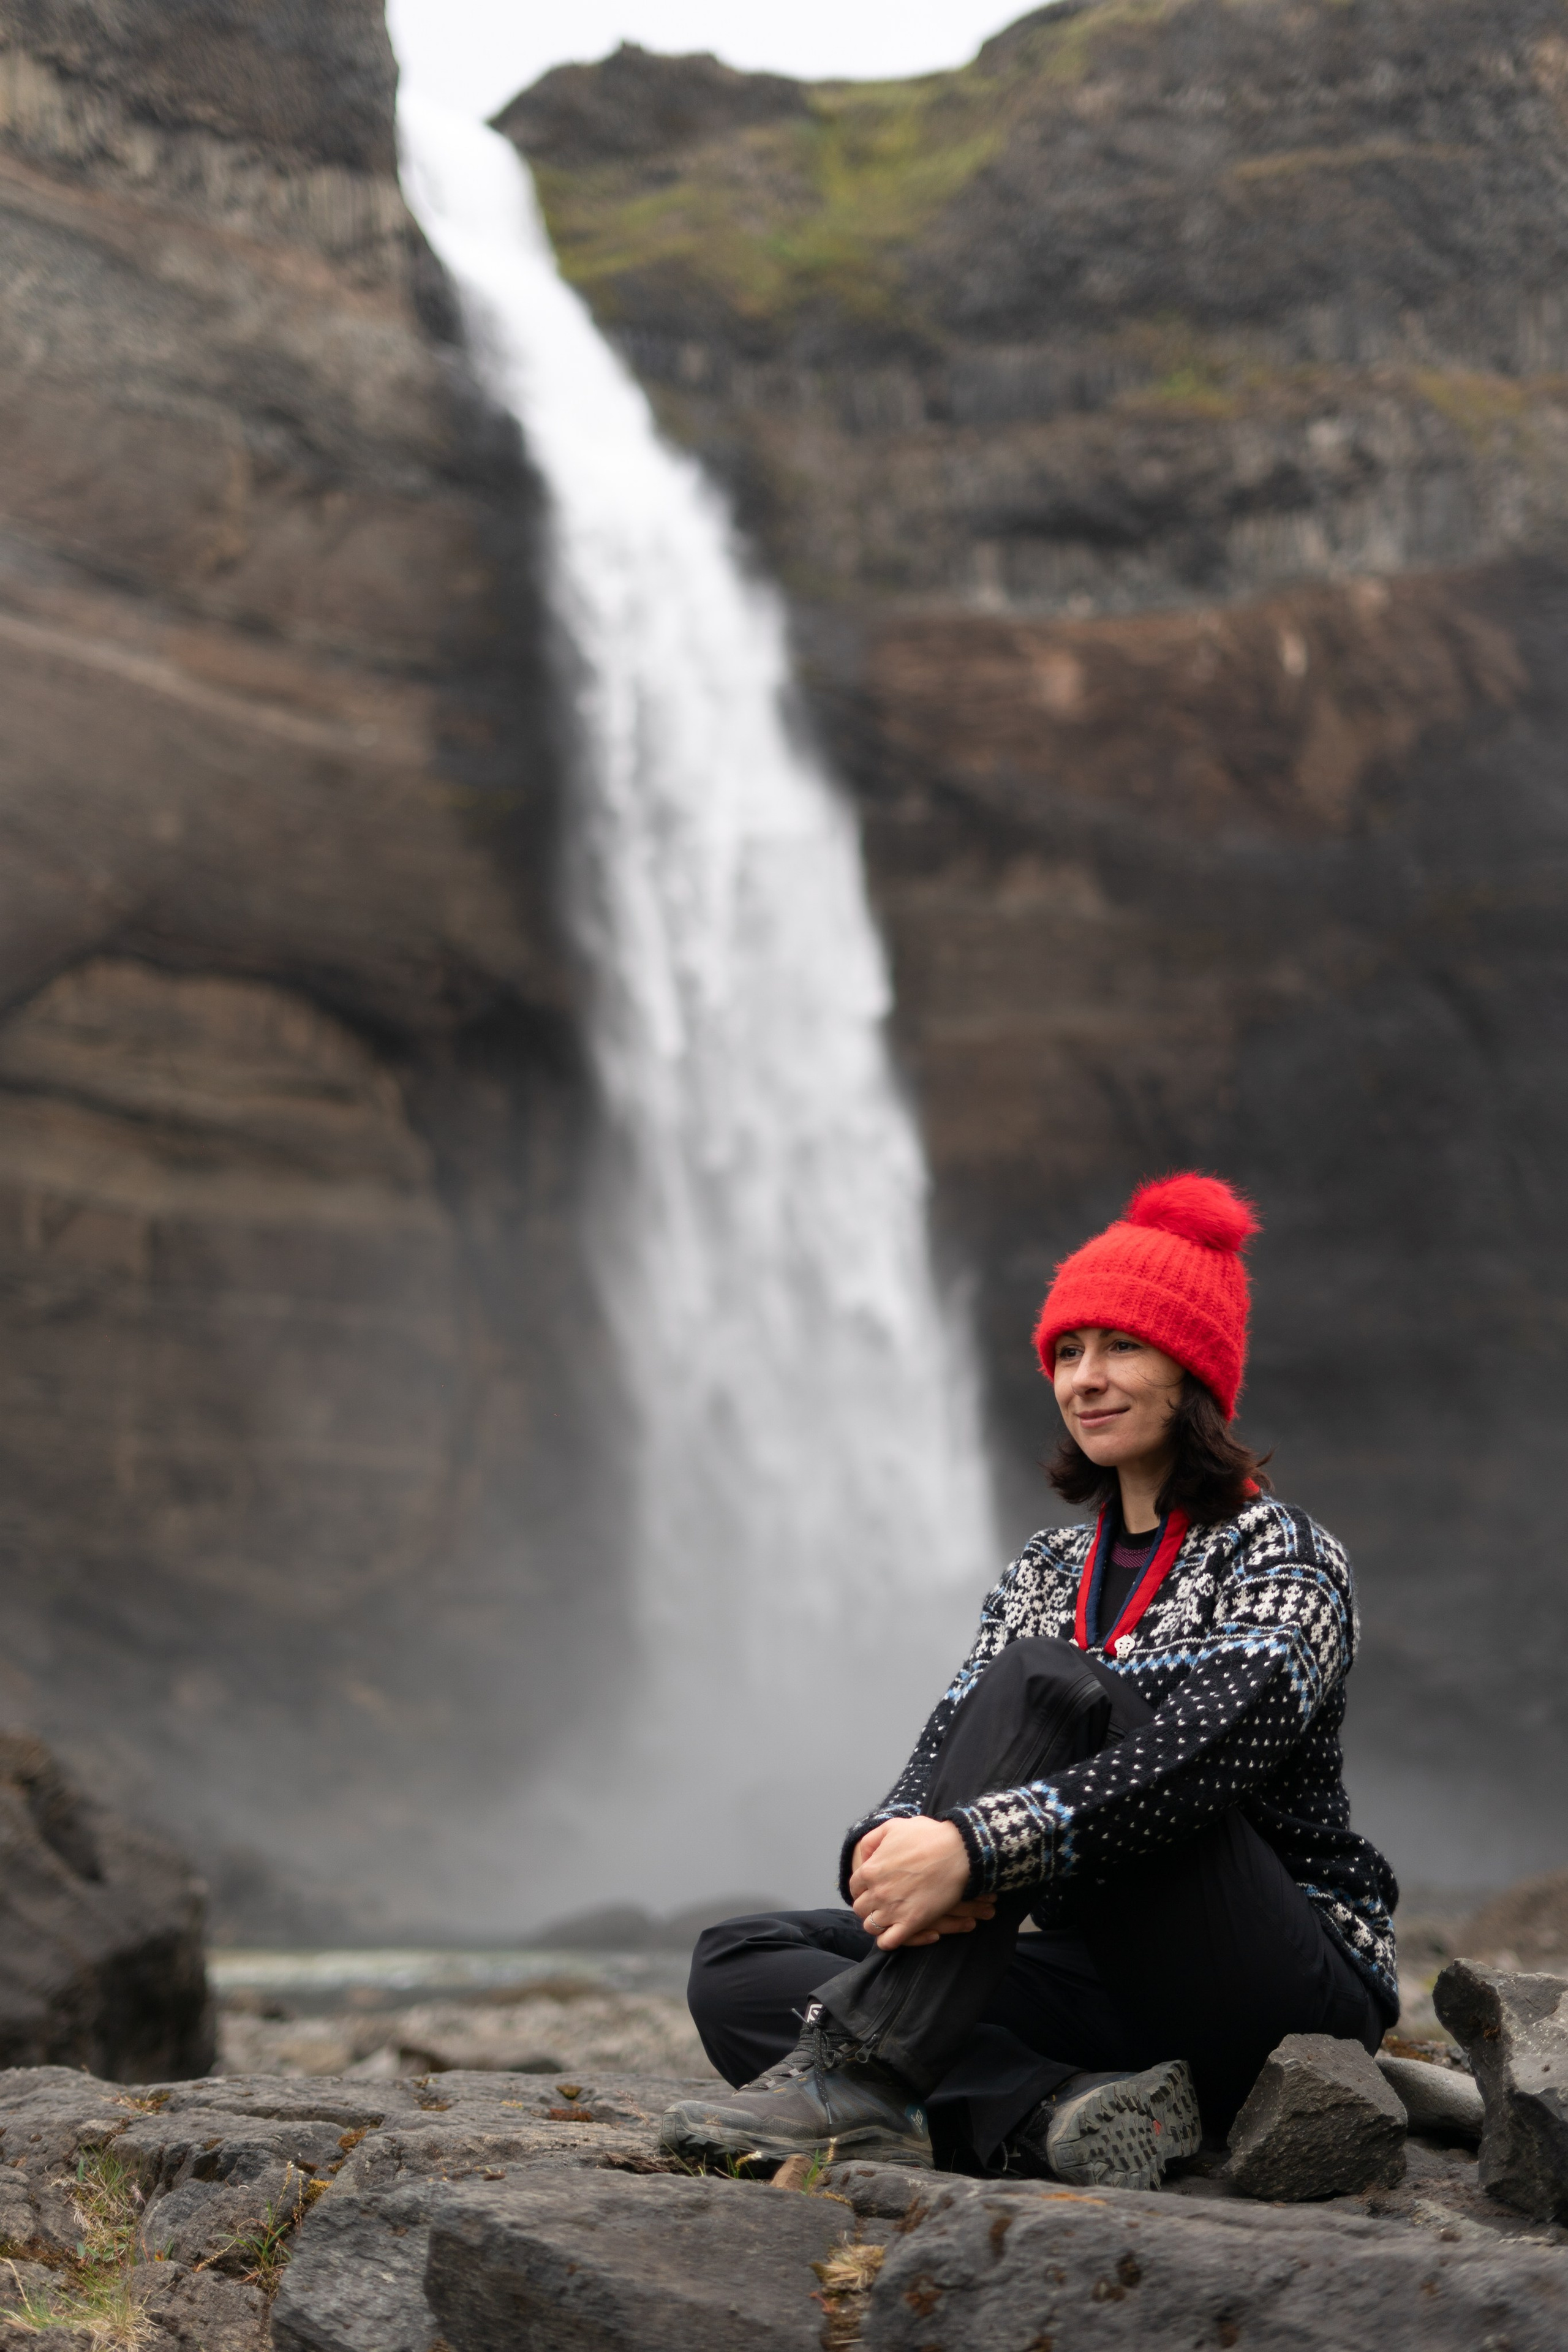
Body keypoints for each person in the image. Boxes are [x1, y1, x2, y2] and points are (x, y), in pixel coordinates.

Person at [660, 1174, 1398, 2186]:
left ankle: (876, 2077)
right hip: (1107, 1982)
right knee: (736, 1966)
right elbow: (942, 1753)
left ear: (1192, 1371)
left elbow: (1204, 1760)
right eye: (1067, 1351)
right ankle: (1056, 2110)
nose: (1085, 1377)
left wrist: (973, 1848)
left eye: (1121, 1347)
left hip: (1278, 1989)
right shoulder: (1047, 1570)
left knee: (1047, 1680)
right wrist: (888, 1855)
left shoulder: (1283, 1553)